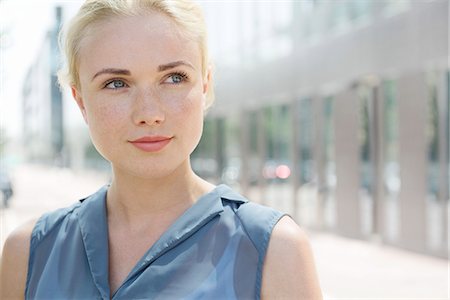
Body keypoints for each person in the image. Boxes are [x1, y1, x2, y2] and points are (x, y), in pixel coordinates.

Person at [0, 0, 322, 299]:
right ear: (81, 100)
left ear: (206, 85)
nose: (149, 113)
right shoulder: (28, 254)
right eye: (116, 83)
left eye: (173, 78)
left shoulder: (273, 252)